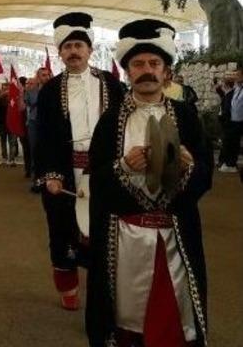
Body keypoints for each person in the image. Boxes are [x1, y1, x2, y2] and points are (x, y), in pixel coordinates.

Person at [86, 19, 211, 347]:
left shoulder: (186, 116)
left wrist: (189, 167)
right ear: (127, 71)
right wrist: (124, 167)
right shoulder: (110, 120)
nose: (146, 70)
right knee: (128, 317)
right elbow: (97, 182)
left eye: (154, 63)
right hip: (125, 240)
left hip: (175, 237)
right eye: (138, 64)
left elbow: (206, 175)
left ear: (165, 71)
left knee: (175, 319)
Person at [35, 12, 125, 311]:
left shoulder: (112, 83)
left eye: (79, 45)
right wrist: (50, 174)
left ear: (89, 49)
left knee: (107, 228)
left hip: (105, 171)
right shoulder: (49, 90)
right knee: (63, 229)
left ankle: (106, 289)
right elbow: (44, 136)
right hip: (65, 172)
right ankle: (68, 286)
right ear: (60, 52)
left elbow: (124, 127)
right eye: (68, 46)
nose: (73, 51)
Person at [25, 68, 51, 192]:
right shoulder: (32, 91)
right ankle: (37, 181)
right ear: (38, 77)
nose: (46, 77)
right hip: (34, 123)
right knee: (35, 151)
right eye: (43, 75)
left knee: (49, 153)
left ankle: (49, 179)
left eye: (48, 75)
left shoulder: (55, 90)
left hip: (50, 124)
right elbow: (25, 105)